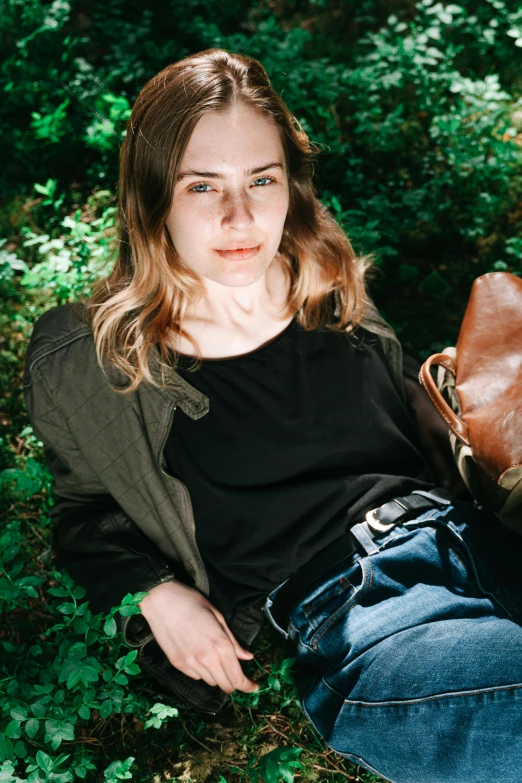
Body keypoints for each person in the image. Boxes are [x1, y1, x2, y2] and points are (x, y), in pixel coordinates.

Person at [23, 48, 522, 783]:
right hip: (365, 619)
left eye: (262, 178)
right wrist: (154, 594)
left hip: (472, 543)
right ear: (153, 193)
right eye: (203, 185)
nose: (241, 215)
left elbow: (393, 431)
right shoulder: (92, 357)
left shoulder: (322, 277)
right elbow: (84, 509)